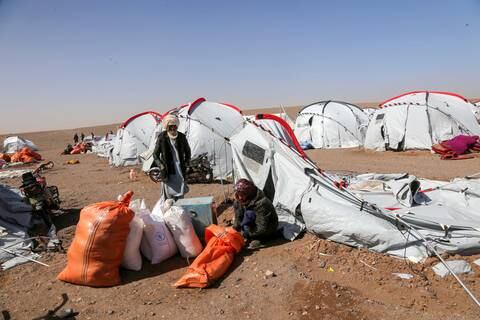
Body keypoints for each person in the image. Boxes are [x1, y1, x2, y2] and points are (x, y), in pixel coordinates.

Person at [153, 114, 191, 201]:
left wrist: (187, 162)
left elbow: (188, 151)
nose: (173, 129)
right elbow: (155, 155)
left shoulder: (181, 137)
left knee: (180, 191)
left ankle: (180, 210)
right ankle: (169, 211)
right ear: (167, 127)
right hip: (168, 169)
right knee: (169, 194)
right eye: (171, 127)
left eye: (174, 126)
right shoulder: (162, 137)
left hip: (180, 169)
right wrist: (161, 166)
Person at [232, 178, 279, 249]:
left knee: (249, 214)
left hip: (267, 227)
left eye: (242, 194)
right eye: (238, 194)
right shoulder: (239, 200)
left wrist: (246, 234)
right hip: (252, 224)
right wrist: (234, 230)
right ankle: (249, 234)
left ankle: (261, 239)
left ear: (249, 193)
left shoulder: (262, 203)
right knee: (242, 210)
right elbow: (238, 217)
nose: (240, 197)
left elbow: (261, 227)